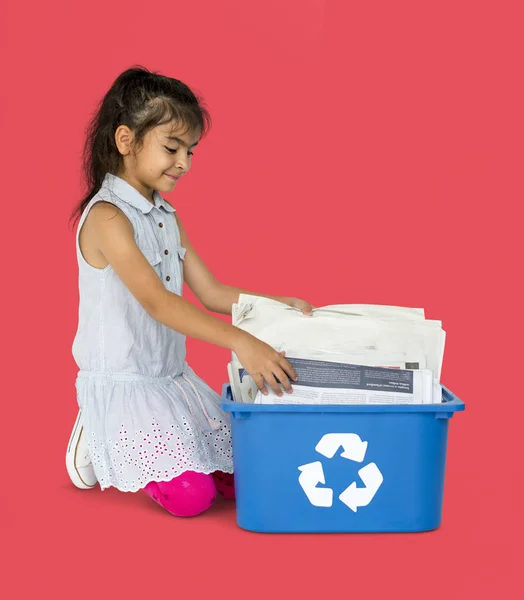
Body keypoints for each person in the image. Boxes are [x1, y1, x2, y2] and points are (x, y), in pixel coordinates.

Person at [66, 65, 314, 517]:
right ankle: (97, 427)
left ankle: (140, 439)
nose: (185, 162)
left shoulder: (166, 215)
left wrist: (277, 305)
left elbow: (212, 292)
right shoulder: (107, 218)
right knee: (191, 499)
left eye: (191, 151)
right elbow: (159, 304)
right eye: (172, 147)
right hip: (124, 382)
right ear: (126, 141)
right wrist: (243, 341)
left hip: (170, 379)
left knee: (246, 475)